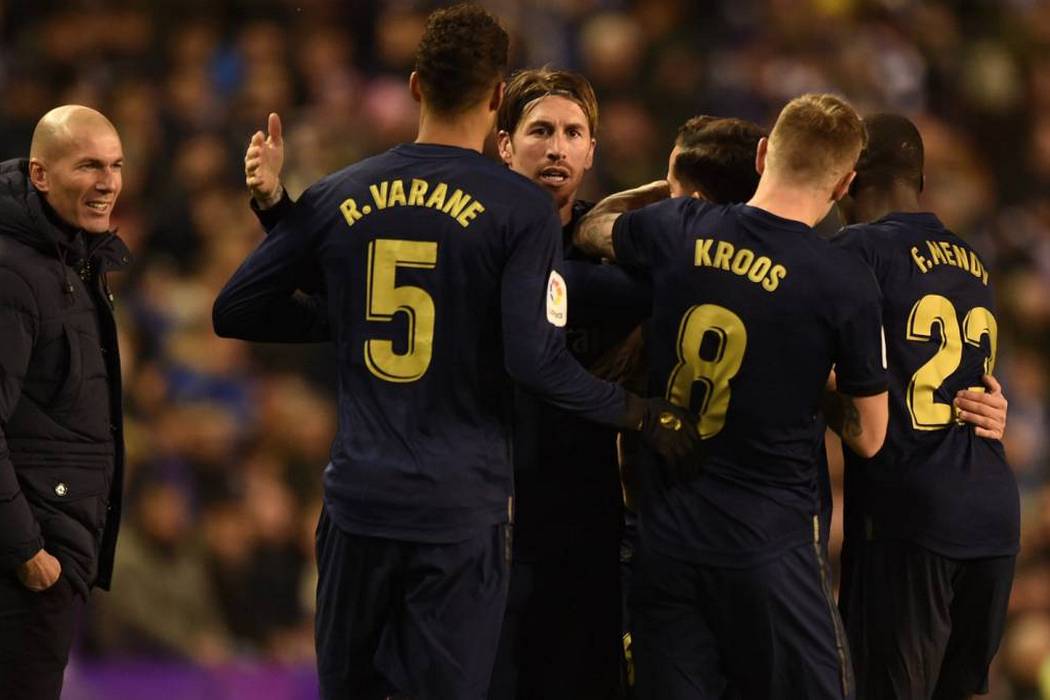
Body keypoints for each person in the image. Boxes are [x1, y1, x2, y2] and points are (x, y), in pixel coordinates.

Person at [214, 6, 694, 699]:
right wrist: (638, 412)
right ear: (499, 100)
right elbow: (534, 361)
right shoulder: (517, 210)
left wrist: (337, 301)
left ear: (415, 85)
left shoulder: (341, 191)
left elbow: (235, 308)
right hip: (459, 507)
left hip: (358, 503)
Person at [575, 93, 889, 699]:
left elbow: (591, 229)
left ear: (765, 153)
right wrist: (810, 381)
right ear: (844, 183)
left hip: (667, 540)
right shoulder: (843, 279)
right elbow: (869, 436)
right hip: (770, 548)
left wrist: (662, 188)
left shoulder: (677, 226)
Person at [834, 113, 1018, 700]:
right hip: (992, 511)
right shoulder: (974, 261)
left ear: (849, 174)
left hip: (910, 515)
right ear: (921, 180)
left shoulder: (857, 249)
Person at [0, 105, 130, 699]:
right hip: (23, 568)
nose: (107, 183)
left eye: (116, 166)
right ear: (40, 174)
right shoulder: (14, 274)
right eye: (88, 166)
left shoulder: (72, 259)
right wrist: (28, 552)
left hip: (54, 551)